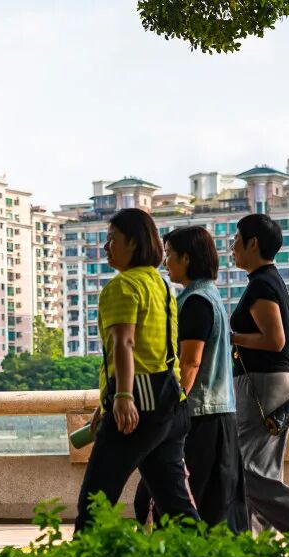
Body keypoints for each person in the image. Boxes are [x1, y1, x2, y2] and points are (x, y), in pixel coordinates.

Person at [74, 208, 201, 532]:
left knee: (95, 501)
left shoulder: (123, 286)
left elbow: (125, 342)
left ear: (134, 243)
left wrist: (122, 396)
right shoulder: (161, 285)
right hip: (171, 400)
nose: (106, 247)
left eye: (112, 239)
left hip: (139, 404)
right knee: (176, 504)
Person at [133, 226, 248, 530]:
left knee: (181, 501)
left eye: (170, 254)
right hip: (215, 414)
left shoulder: (195, 301)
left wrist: (170, 408)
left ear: (186, 258)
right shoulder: (209, 295)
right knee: (211, 505)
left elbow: (190, 363)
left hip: (199, 417)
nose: (166, 262)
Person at [229, 213, 289, 531]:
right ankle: (258, 545)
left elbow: (275, 341)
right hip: (270, 385)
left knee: (241, 469)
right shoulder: (267, 281)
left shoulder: (262, 285)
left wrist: (233, 338)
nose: (232, 248)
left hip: (263, 386)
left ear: (253, 243)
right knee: (261, 468)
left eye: (236, 241)